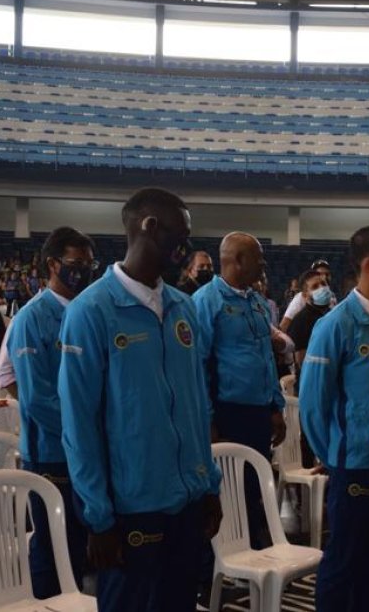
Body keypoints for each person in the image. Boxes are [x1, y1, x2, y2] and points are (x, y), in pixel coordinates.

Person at [58, 187, 222, 611]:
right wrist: (98, 516)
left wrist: (209, 486)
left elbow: (195, 407)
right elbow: (79, 424)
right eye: (181, 233)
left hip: (186, 502)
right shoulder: (91, 312)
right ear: (150, 227)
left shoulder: (184, 309)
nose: (186, 245)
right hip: (130, 510)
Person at [300, 226, 369, 612]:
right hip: (353, 467)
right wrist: (334, 459)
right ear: (368, 264)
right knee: (342, 563)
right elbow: (313, 405)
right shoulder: (335, 325)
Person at [8, 227, 97, 599]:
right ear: (52, 264)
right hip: (51, 453)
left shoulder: (89, 313)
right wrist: (86, 433)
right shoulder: (32, 318)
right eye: (76, 265)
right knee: (51, 546)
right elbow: (37, 399)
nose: (84, 273)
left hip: (86, 451)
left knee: (81, 544)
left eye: (90, 265)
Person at [193, 232, 285, 550]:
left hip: (258, 412)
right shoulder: (206, 302)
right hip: (226, 412)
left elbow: (266, 358)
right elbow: (198, 366)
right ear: (237, 260)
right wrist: (208, 421)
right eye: (257, 258)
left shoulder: (257, 301)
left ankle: (250, 551)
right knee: (224, 491)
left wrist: (275, 406)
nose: (262, 264)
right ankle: (217, 564)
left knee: (252, 486)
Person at [287, 268, 334, 368]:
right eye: (315, 287)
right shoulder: (301, 321)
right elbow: (302, 362)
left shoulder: (332, 314)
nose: (322, 288)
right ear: (305, 296)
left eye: (323, 283)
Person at [281, 258, 335, 331]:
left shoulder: (332, 297)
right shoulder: (300, 298)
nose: (324, 277)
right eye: (320, 274)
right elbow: (284, 325)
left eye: (327, 274)